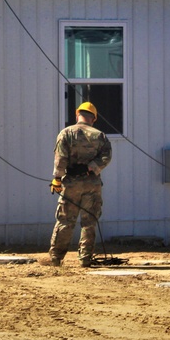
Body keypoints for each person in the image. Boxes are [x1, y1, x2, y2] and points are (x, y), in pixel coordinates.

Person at [48, 101, 113, 267]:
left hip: (71, 184)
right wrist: (91, 167)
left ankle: (56, 259)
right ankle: (85, 259)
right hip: (92, 183)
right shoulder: (100, 136)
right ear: (94, 119)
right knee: (89, 221)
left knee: (65, 221)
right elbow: (106, 157)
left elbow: (60, 158)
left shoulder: (66, 133)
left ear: (78, 115)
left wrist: (57, 178)